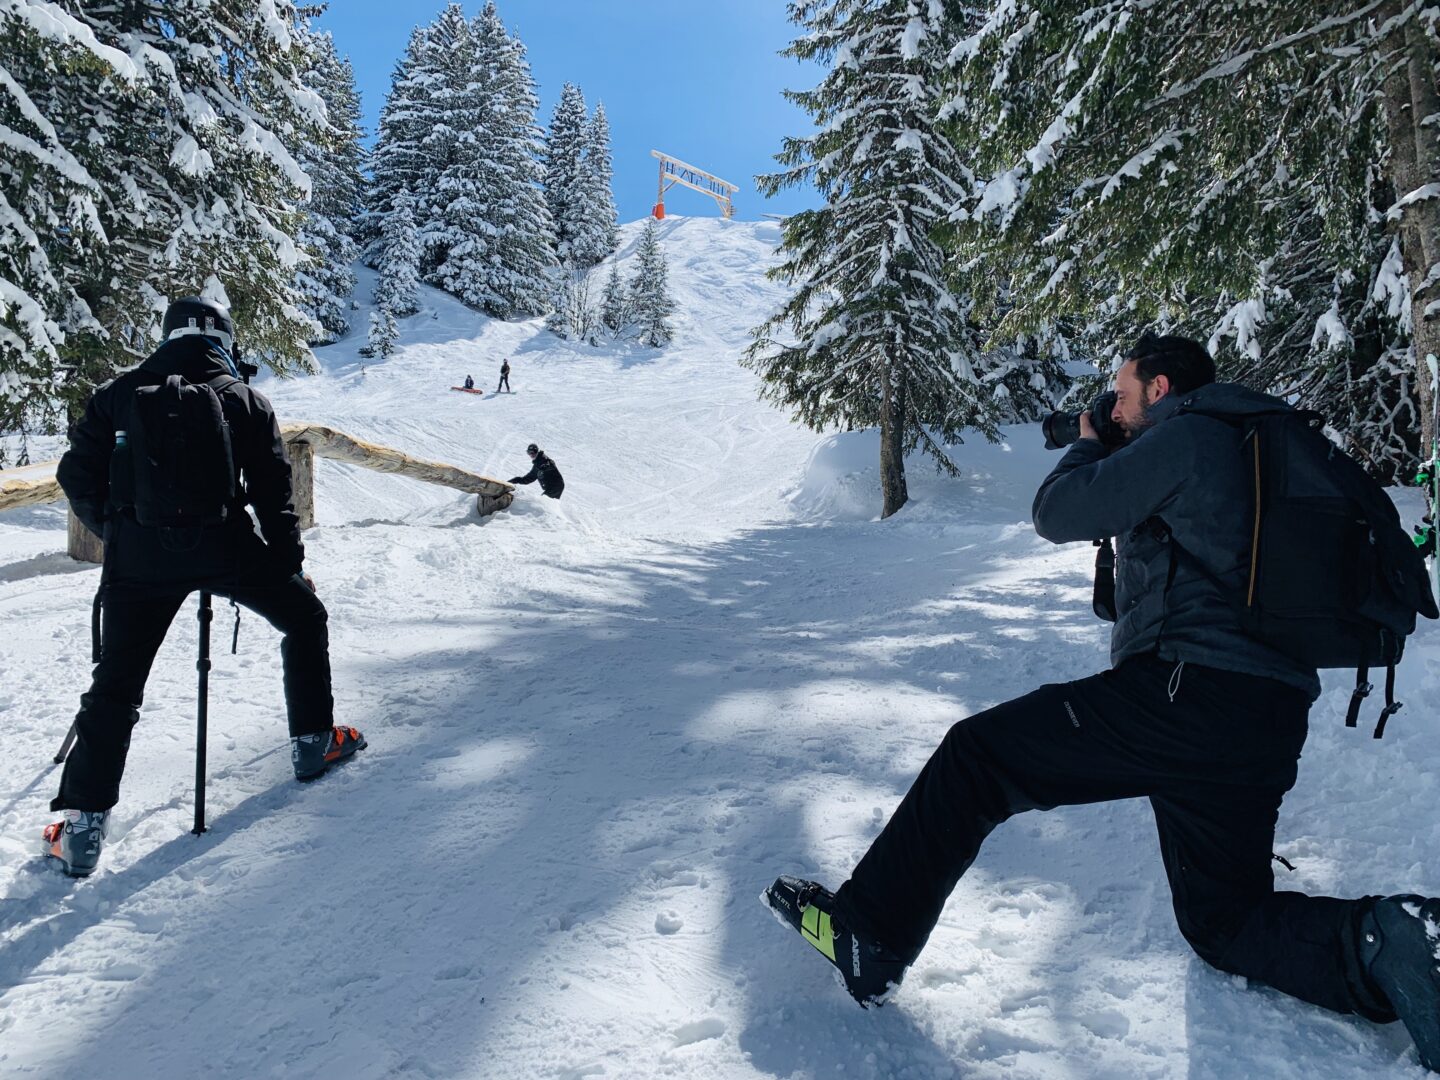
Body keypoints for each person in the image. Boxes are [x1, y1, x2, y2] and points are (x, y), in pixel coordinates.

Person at [763, 333, 1440, 1071]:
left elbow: (1057, 513)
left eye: (1121, 393)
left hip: (1184, 692)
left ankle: (869, 937)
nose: (1112, 407)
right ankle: (1389, 941)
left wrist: (1087, 446)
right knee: (1226, 922)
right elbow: (1129, 593)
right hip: (1265, 715)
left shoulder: (1190, 439)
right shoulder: (1251, 448)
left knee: (978, 757)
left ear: (1158, 389)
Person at [46, 296, 366, 877]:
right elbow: (275, 497)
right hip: (228, 550)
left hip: (139, 563)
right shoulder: (246, 399)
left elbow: (75, 475)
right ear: (224, 338)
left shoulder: (117, 395)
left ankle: (82, 829)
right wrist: (289, 569)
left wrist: (116, 533)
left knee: (116, 684)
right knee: (304, 619)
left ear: (166, 336)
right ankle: (314, 742)